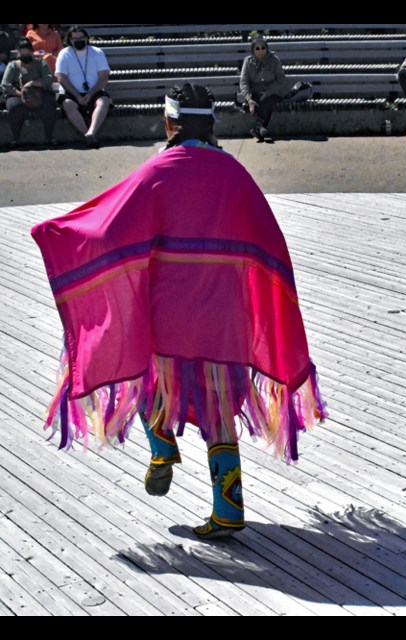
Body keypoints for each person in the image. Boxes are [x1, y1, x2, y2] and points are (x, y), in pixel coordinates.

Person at [30, 83, 327, 539]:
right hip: (222, 315)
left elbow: (108, 229)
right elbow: (269, 242)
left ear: (170, 123)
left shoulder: (157, 172)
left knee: (150, 375)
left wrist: (60, 232)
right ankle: (228, 508)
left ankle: (161, 443)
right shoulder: (234, 174)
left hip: (168, 310)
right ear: (210, 124)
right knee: (219, 408)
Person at [55, 26, 111, 148]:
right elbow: (61, 77)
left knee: (104, 101)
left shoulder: (97, 52)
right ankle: (87, 134)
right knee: (68, 104)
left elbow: (104, 76)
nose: (78, 40)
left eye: (81, 37)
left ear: (86, 38)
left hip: (94, 91)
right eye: (75, 38)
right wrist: (77, 95)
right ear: (70, 39)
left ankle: (91, 132)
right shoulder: (64, 54)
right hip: (71, 92)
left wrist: (90, 94)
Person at [2, 38, 59, 148]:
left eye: (27, 52)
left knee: (49, 104)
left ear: (32, 52)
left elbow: (48, 79)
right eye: (22, 53)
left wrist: (34, 83)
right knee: (14, 107)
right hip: (18, 93)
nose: (25, 55)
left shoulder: (41, 62)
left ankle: (49, 137)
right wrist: (20, 93)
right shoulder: (13, 65)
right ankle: (16, 138)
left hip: (39, 92)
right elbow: (5, 84)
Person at [239, 36, 288, 142]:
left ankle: (257, 126)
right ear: (252, 49)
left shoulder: (275, 60)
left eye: (263, 47)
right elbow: (244, 81)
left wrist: (268, 92)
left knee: (266, 99)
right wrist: (249, 99)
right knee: (263, 102)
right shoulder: (248, 61)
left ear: (267, 48)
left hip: (273, 92)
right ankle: (260, 129)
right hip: (255, 93)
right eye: (257, 48)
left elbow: (281, 80)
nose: (260, 50)